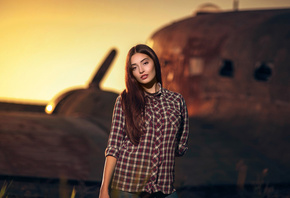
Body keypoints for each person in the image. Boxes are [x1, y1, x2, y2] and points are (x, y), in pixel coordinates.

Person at [99, 44, 189, 198]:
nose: (141, 70)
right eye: (134, 67)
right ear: (131, 73)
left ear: (155, 62)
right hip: (126, 188)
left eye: (145, 63)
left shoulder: (177, 101)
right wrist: (104, 189)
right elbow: (113, 146)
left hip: (164, 189)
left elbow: (181, 146)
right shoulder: (124, 100)